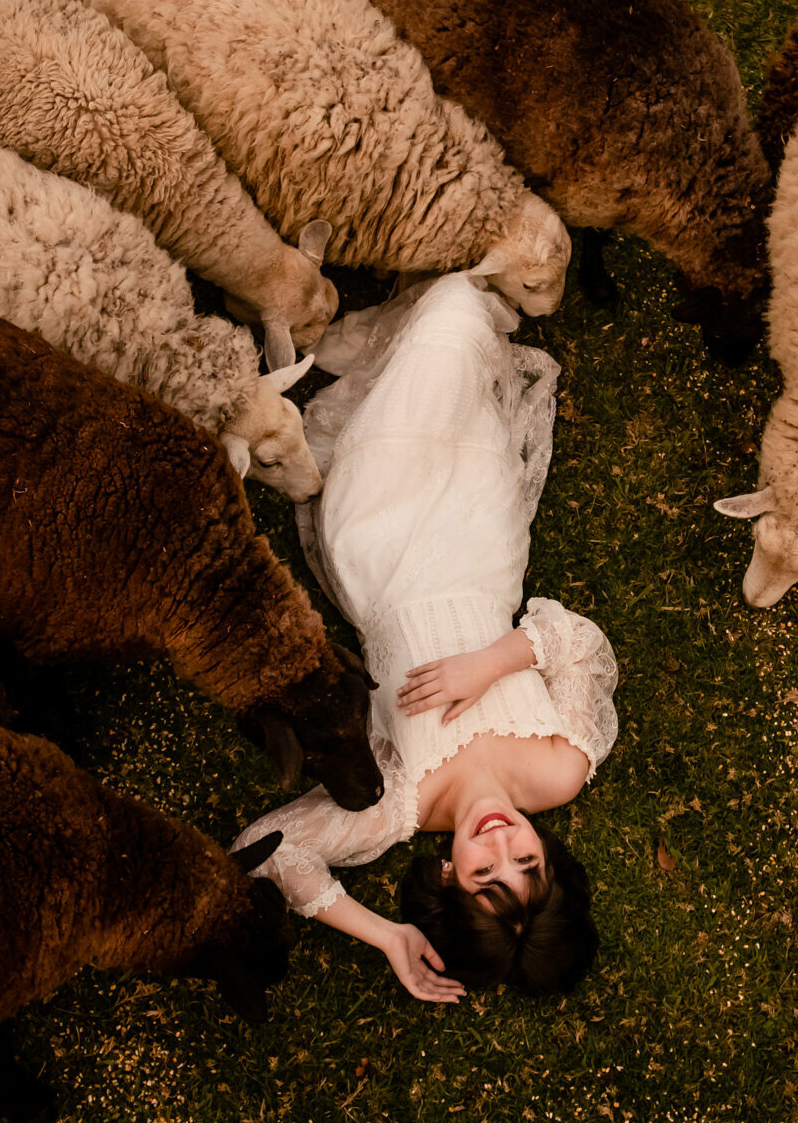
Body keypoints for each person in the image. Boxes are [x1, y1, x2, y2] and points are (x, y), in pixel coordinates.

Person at [233, 272, 618, 1002]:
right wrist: (493, 662)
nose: (504, 841)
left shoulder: (399, 803)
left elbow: (267, 852)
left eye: (484, 873)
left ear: (447, 875)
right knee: (460, 308)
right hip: (480, 544)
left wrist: (386, 934)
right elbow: (578, 642)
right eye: (529, 864)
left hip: (377, 550)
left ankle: (379, 354)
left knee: (446, 319)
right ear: (553, 859)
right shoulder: (561, 769)